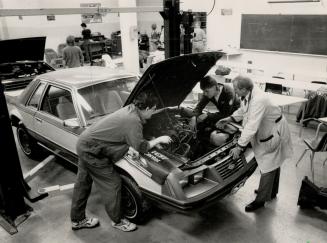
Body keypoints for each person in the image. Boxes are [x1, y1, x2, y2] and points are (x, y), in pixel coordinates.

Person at [70, 90, 172, 232]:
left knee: (83, 183)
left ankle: (77, 220)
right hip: (92, 151)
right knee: (113, 183)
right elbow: (141, 147)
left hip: (86, 142)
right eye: (154, 109)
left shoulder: (130, 109)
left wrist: (132, 145)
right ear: (147, 108)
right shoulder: (133, 120)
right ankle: (117, 221)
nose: (154, 113)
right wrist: (159, 139)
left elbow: (120, 136)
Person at [216, 75, 293, 212]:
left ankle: (261, 200)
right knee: (273, 162)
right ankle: (271, 191)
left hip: (273, 131)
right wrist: (230, 118)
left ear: (244, 89)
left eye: (236, 89)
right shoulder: (249, 95)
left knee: (268, 165)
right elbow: (244, 111)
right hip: (268, 128)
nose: (235, 92)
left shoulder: (258, 100)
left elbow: (251, 126)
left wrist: (239, 147)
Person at [189, 75, 240, 146]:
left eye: (206, 91)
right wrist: (193, 117)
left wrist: (207, 115)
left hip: (236, 118)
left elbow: (225, 114)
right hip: (223, 114)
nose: (204, 93)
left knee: (218, 137)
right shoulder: (210, 92)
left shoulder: (228, 93)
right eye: (203, 91)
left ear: (215, 87)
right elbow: (199, 106)